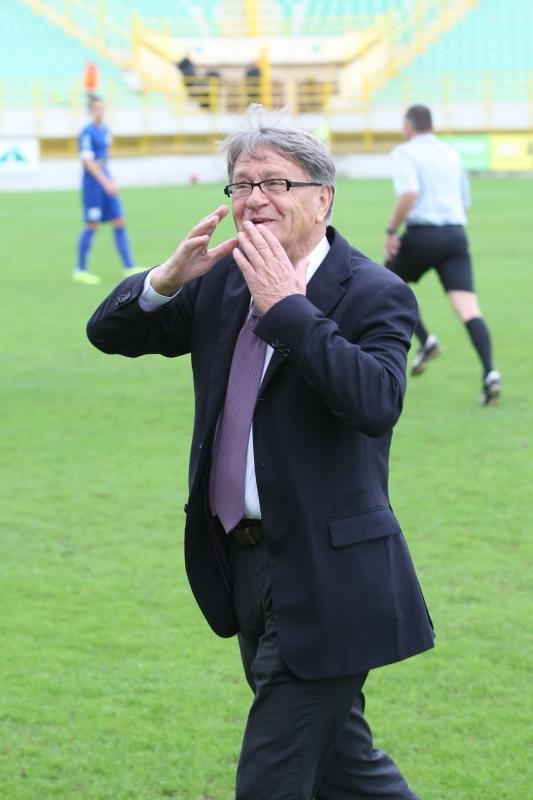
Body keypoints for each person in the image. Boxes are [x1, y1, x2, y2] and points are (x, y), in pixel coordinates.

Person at [87, 104, 435, 800]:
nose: (254, 199)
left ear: (321, 197)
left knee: (271, 781)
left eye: (275, 183)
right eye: (241, 185)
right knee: (344, 769)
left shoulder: (372, 291)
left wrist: (287, 309)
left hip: (326, 575)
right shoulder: (221, 280)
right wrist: (163, 281)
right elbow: (109, 332)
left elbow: (374, 402)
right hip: (241, 562)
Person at [384, 104, 501, 405]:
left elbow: (409, 192)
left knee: (386, 283)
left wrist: (391, 230)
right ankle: (490, 373)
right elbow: (464, 202)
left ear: (409, 127)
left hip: (423, 234)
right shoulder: (451, 153)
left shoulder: (405, 152)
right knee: (468, 308)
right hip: (455, 235)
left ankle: (425, 340)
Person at [74, 95, 141, 285]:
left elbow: (103, 159)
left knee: (119, 221)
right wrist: (106, 182)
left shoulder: (105, 129)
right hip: (94, 187)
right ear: (89, 111)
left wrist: (110, 178)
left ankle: (129, 266)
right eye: (96, 108)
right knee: (92, 225)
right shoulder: (86, 133)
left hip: (106, 182)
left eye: (102, 108)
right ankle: (80, 269)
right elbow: (88, 162)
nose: (100, 111)